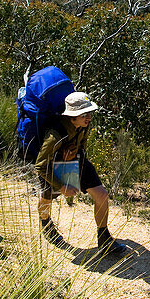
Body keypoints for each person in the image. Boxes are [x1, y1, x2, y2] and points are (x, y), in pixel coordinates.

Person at [35, 91, 125, 256]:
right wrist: (61, 186)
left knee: (102, 195)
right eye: (83, 114)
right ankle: (46, 224)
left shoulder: (84, 125)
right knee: (47, 197)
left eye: (89, 113)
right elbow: (40, 166)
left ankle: (104, 239)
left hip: (78, 160)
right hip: (52, 165)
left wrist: (75, 150)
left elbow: (82, 145)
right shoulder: (55, 135)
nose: (88, 117)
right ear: (72, 117)